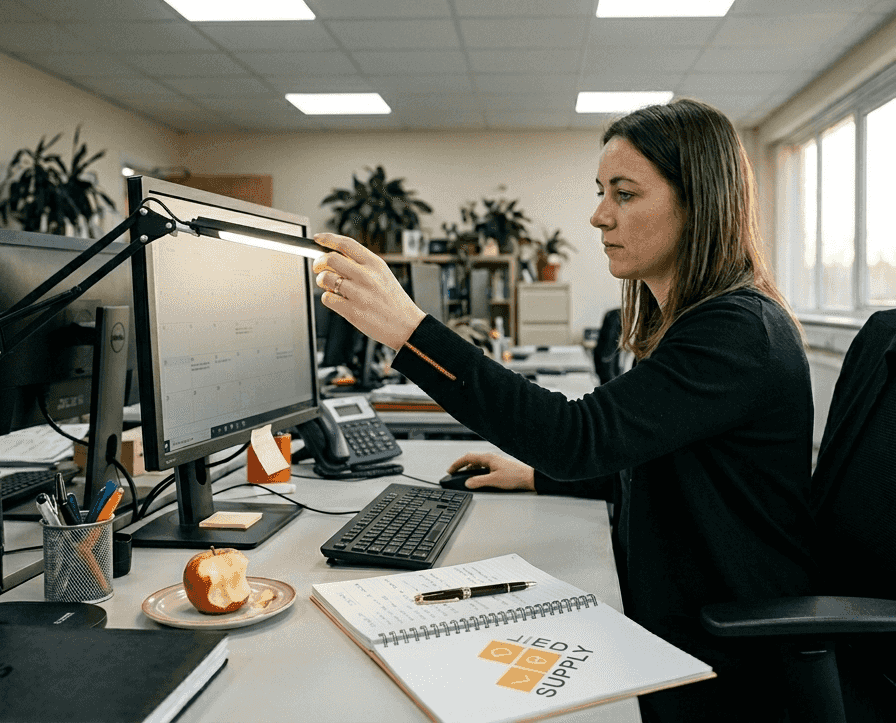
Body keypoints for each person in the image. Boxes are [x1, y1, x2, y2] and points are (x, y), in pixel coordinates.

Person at [312, 98, 814, 722]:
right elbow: (652, 456)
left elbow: (577, 438)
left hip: (725, 656)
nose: (600, 216)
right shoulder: (700, 322)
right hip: (680, 615)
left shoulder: (737, 331)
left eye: (625, 194)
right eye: (603, 191)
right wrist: (535, 475)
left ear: (699, 202)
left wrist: (410, 331)